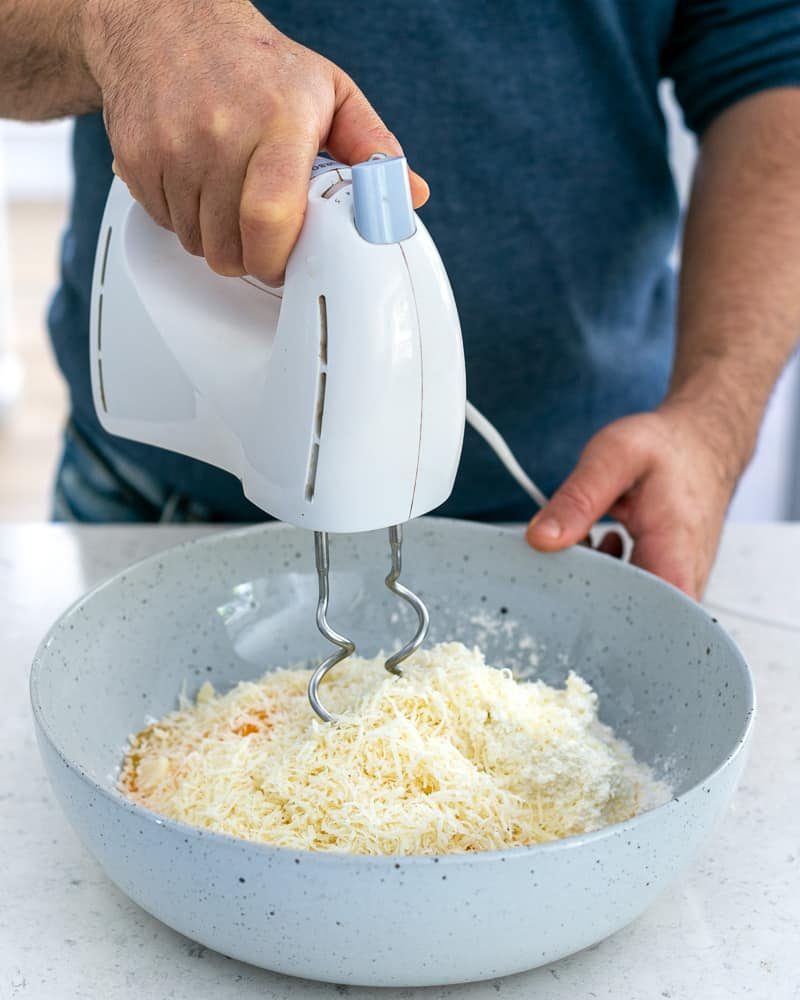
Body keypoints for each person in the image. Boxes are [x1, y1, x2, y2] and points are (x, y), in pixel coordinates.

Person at [2, 1, 799, 599]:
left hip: (580, 512)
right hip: (155, 502)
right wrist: (131, 23)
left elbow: (774, 55)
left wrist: (714, 417)